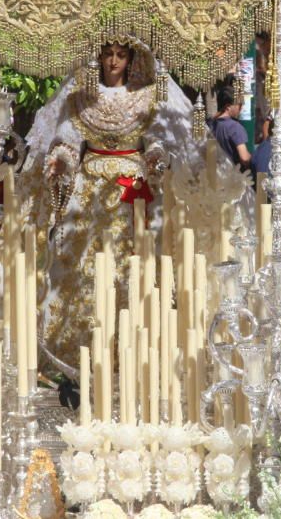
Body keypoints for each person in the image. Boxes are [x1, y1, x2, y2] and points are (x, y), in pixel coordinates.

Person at [25, 39, 210, 372]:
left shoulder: (147, 97)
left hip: (132, 188)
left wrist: (155, 158)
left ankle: (134, 345)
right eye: (108, 55)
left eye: (121, 56)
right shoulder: (82, 96)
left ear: (132, 60)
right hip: (90, 184)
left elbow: (155, 139)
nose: (113, 62)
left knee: (133, 262)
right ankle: (77, 348)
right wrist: (61, 162)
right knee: (81, 264)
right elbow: (69, 141)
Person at [210, 86, 252, 169]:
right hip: (233, 176)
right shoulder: (235, 127)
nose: (241, 107)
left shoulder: (211, 123)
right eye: (239, 104)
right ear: (228, 106)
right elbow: (244, 158)